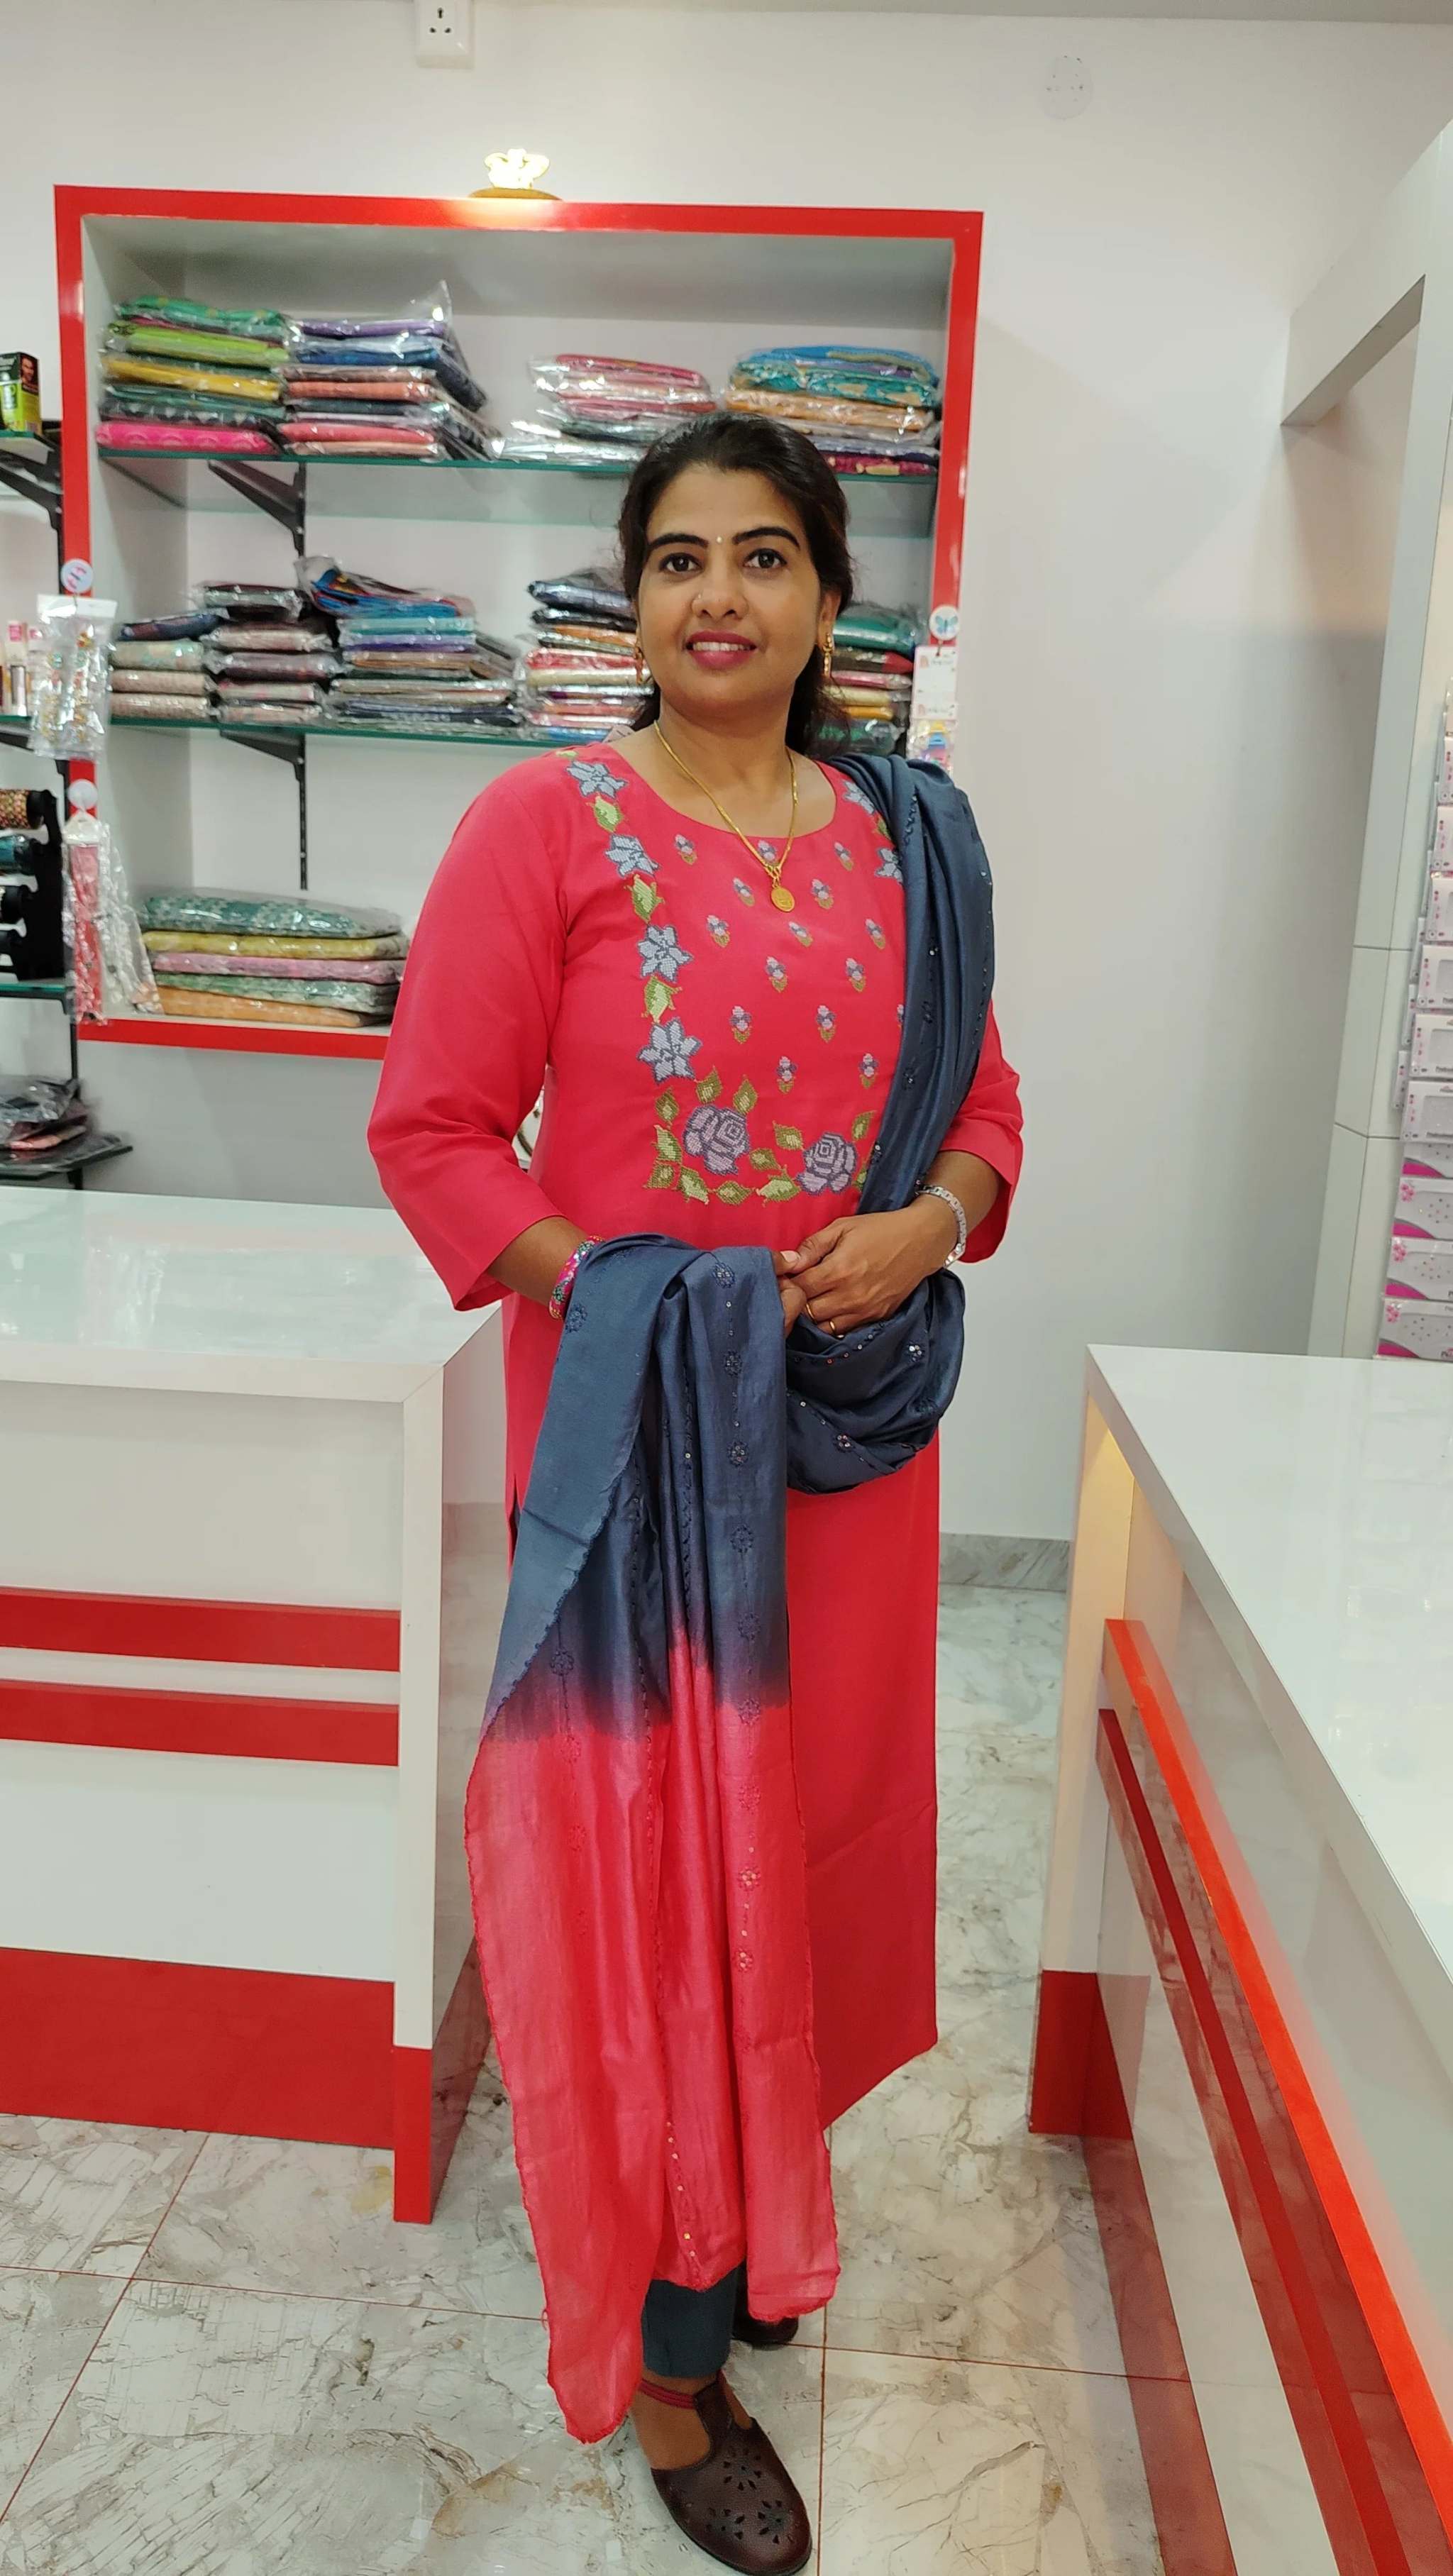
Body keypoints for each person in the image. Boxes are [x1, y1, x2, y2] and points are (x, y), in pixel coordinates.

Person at [369, 411, 1022, 2572]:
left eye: (763, 556)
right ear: (629, 599)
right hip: (642, 1463)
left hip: (843, 1456)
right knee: (651, 1877)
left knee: (811, 1848)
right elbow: (438, 1130)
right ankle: (670, 2365)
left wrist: (928, 1225)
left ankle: (757, 2225)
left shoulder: (906, 836)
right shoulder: (537, 827)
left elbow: (987, 1106)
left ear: (835, 597)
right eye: (674, 560)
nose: (717, 596)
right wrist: (629, 1293)